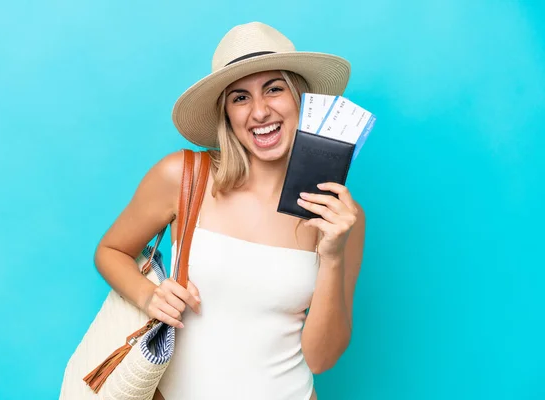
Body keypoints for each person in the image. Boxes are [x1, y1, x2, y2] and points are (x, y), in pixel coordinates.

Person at [94, 21, 366, 400]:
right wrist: (147, 295)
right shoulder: (184, 177)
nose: (259, 111)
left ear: (300, 99)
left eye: (274, 89)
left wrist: (333, 254)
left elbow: (321, 359)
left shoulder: (336, 214)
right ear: (226, 114)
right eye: (240, 97)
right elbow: (110, 251)